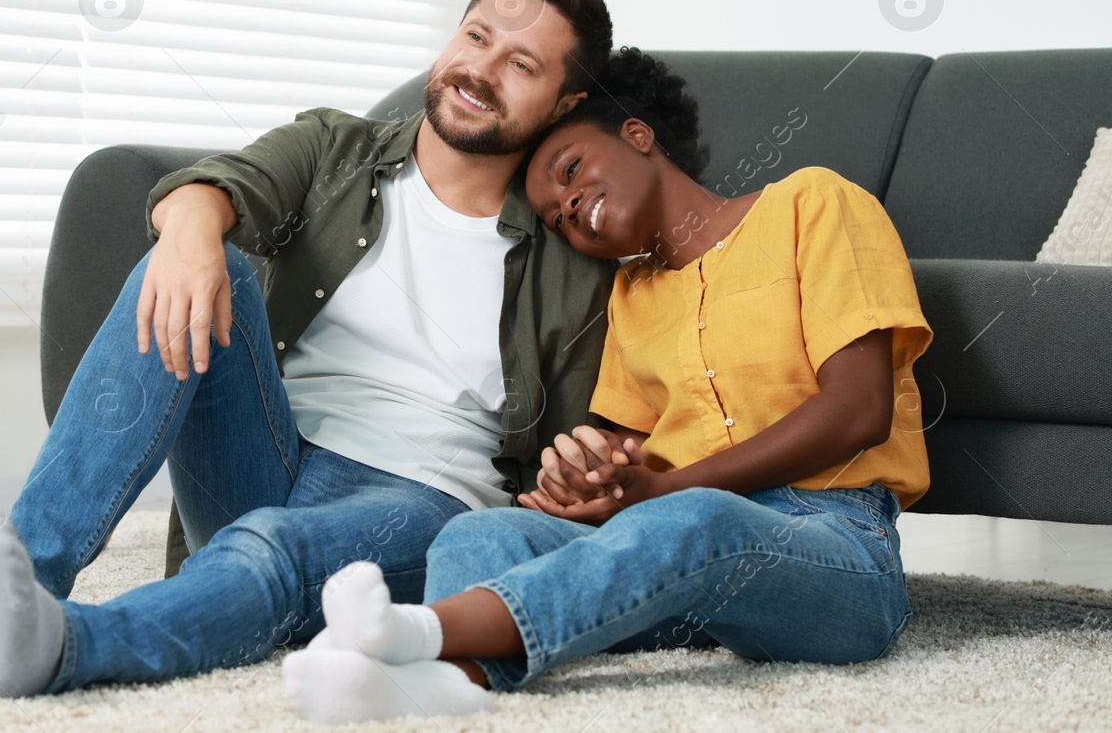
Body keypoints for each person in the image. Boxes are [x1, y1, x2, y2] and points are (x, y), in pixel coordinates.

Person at [0, 0, 621, 697]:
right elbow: (217, 188)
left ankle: (61, 646)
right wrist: (193, 226)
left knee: (271, 549)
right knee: (194, 256)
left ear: (563, 103)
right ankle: (22, 574)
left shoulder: (574, 249)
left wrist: (589, 467)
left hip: (422, 497)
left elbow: (612, 431)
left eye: (522, 64)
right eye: (477, 36)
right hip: (267, 450)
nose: (480, 70)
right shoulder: (338, 149)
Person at [283, 47, 932, 724]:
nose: (569, 206)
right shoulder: (630, 295)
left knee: (696, 517)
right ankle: (455, 682)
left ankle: (421, 637)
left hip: (837, 546)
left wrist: (667, 489)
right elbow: (637, 457)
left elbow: (860, 409)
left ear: (637, 134)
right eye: (558, 216)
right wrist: (592, 480)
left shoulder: (813, 203)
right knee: (481, 536)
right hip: (680, 563)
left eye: (571, 171)